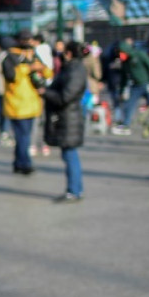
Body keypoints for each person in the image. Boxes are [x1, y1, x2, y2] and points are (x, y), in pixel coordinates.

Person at [43, 42, 88, 203]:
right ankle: (75, 189)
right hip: (68, 116)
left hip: (69, 117)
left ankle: (74, 190)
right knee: (68, 154)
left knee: (70, 154)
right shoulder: (73, 68)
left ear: (69, 53)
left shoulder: (75, 70)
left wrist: (46, 93)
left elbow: (66, 96)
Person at [2, 30, 51, 175]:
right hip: (17, 103)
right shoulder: (10, 57)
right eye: (25, 39)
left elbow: (47, 73)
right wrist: (29, 68)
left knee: (23, 136)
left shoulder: (33, 55)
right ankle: (25, 163)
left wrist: (42, 68)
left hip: (31, 102)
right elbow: (11, 76)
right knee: (23, 135)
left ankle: (18, 162)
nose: (28, 42)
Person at [113, 38, 149, 135]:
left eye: (121, 53)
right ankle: (126, 125)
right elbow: (124, 78)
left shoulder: (140, 55)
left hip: (147, 84)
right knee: (128, 105)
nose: (120, 55)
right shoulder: (125, 63)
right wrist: (121, 91)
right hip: (135, 86)